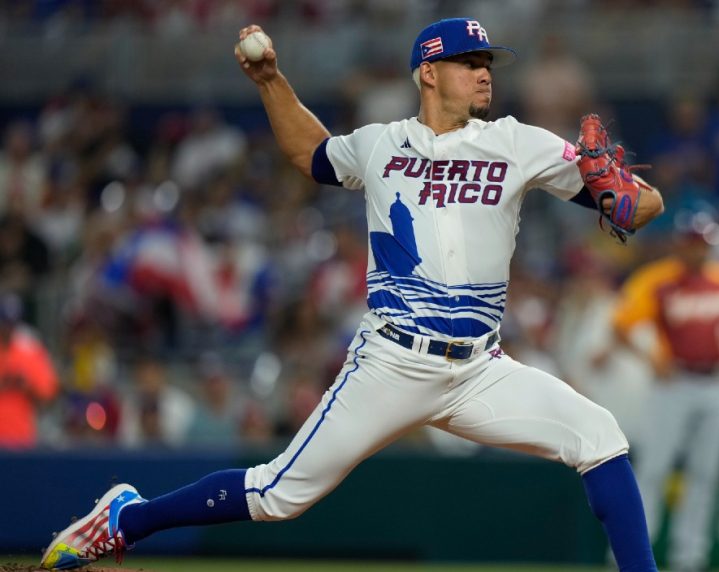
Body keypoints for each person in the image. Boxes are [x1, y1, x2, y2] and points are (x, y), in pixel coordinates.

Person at [41, 18, 664, 571]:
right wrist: (270, 81)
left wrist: (624, 194)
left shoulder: (516, 143)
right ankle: (127, 518)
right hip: (392, 361)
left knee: (599, 435)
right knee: (277, 496)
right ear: (428, 71)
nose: (484, 74)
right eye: (469, 63)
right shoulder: (380, 144)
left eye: (487, 64)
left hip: (479, 369)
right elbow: (308, 153)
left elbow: (639, 206)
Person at [612, 212, 719, 572]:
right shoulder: (658, 280)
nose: (699, 251)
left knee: (705, 473)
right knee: (653, 470)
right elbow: (620, 325)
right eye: (693, 243)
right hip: (674, 384)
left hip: (715, 384)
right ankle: (635, 558)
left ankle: (690, 558)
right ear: (679, 243)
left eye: (705, 244)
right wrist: (649, 357)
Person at [0, 293, 59, 449]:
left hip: (20, 439)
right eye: (4, 323)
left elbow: (48, 396)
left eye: (11, 324)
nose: (7, 329)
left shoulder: (30, 351)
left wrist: (26, 385)